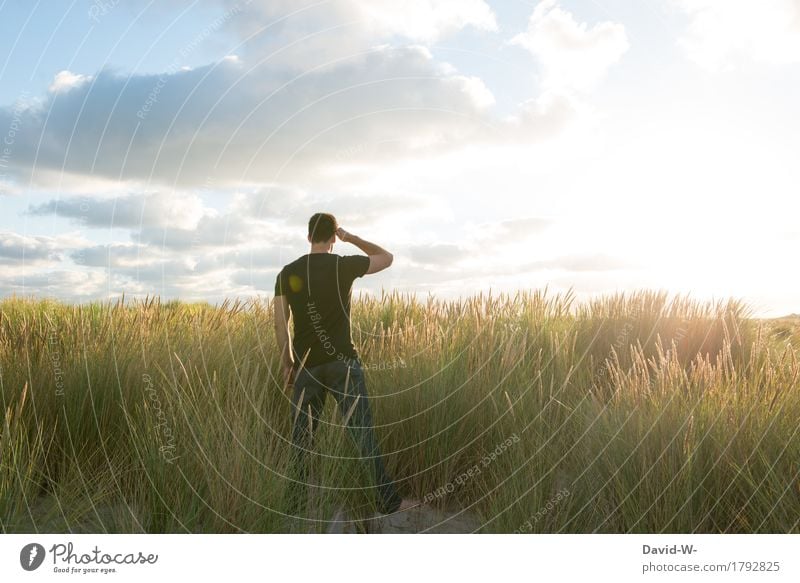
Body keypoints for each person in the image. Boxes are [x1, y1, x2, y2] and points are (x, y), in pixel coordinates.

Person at [274, 212, 403, 519]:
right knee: (363, 436)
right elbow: (386, 257)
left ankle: (294, 505)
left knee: (302, 442)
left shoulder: (287, 272)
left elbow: (281, 325)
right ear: (332, 238)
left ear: (308, 238)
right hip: (344, 364)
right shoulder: (343, 265)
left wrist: (289, 364)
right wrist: (353, 238)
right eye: (335, 236)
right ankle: (388, 502)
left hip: (308, 368)